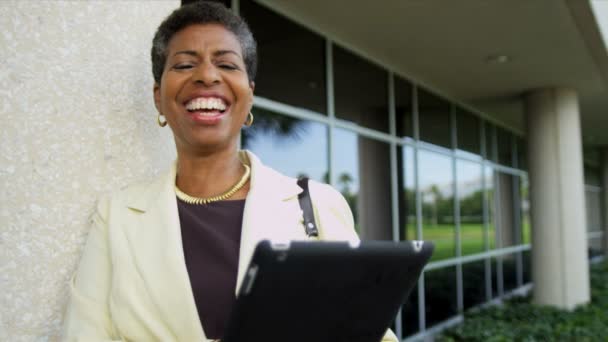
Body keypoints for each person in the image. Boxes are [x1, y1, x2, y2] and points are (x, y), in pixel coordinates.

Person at [62, 2, 398, 341]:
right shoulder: (116, 217)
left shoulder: (316, 205)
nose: (207, 76)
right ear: (158, 98)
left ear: (249, 95)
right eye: (184, 64)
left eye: (226, 64)